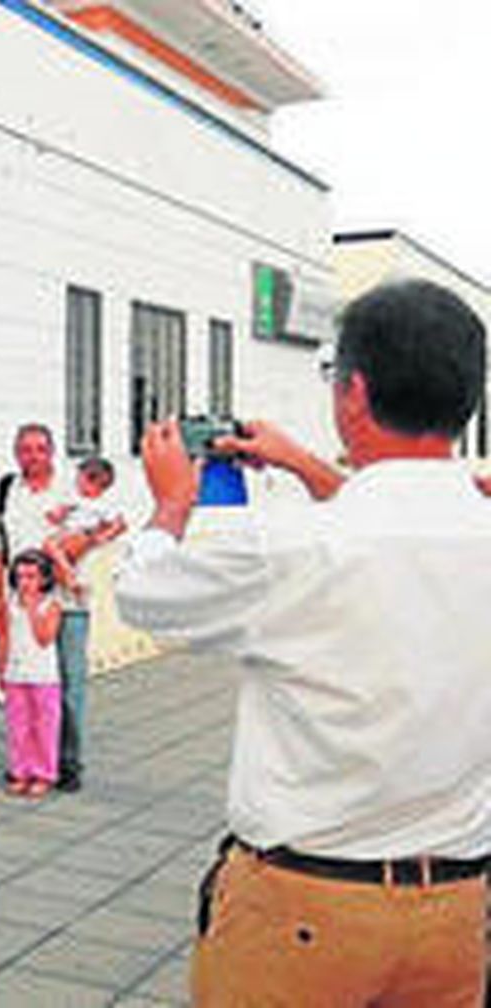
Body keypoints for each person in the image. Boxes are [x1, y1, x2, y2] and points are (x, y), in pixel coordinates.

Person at [116, 280, 491, 1007]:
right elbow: (393, 523)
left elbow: (146, 594)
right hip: (456, 906)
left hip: (305, 908)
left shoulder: (288, 545)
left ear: (353, 392)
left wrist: (169, 503)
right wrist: (302, 464)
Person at [0, 422, 91, 792]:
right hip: (19, 604)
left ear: (51, 451)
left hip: (63, 601)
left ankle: (66, 763)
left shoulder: (70, 490)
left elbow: (86, 538)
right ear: (16, 453)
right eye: (25, 449)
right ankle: (27, 762)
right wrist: (0, 599)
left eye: (39, 448)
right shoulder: (8, 489)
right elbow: (1, 547)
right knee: (21, 686)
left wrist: (54, 567)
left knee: (65, 686)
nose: (32, 455)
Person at [0, 550, 61, 798]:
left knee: (44, 726)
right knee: (18, 726)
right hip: (16, 673)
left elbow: (45, 639)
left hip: (43, 677)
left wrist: (33, 609)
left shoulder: (51, 605)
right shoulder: (9, 604)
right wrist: (1, 668)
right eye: (20, 576)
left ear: (44, 579)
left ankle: (44, 773)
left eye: (32, 576)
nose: (25, 582)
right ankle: (21, 770)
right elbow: (4, 637)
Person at [42, 456, 125, 594]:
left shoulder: (102, 504)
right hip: (66, 533)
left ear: (97, 484)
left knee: (52, 547)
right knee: (52, 554)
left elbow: (120, 524)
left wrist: (104, 536)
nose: (77, 485)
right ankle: (71, 582)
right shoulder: (74, 498)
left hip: (83, 535)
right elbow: (56, 515)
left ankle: (69, 574)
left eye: (80, 481)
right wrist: (57, 514)